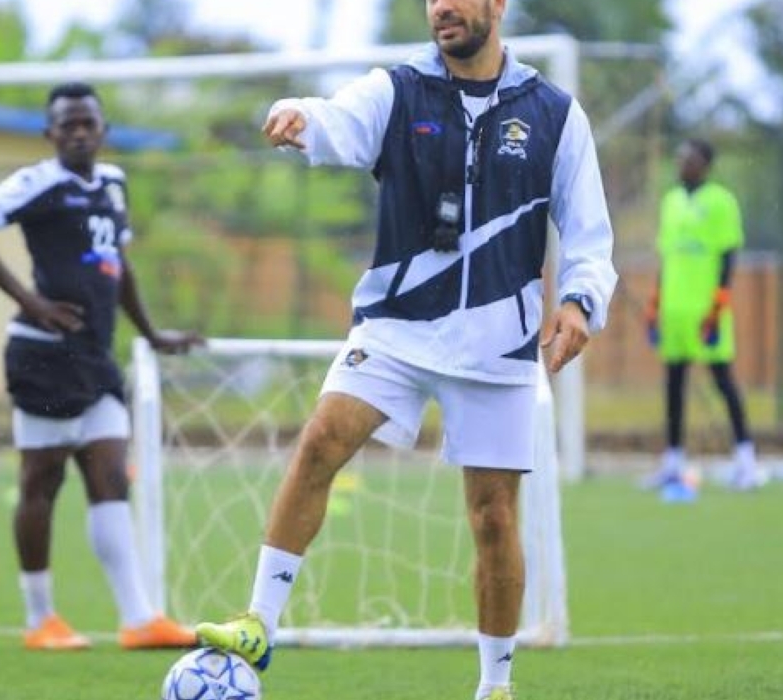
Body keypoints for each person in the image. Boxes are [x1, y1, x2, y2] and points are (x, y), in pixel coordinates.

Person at [194, 1, 617, 698]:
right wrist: (298, 115)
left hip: (498, 344)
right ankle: (258, 623)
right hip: (397, 326)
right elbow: (337, 118)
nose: (441, 7)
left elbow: (590, 233)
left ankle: (494, 685)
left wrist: (579, 300)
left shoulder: (555, 114)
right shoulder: (397, 90)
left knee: (493, 516)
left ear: (497, 6)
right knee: (322, 438)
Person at [0, 82, 202, 651]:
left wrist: (152, 332)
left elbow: (119, 264)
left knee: (110, 476)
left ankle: (138, 618)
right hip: (41, 356)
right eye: (68, 125)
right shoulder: (38, 182)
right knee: (42, 481)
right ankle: (41, 619)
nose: (80, 133)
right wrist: (30, 301)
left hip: (95, 356)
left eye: (88, 123)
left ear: (103, 130)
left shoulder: (113, 182)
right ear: (50, 134)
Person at [644, 138, 758, 494]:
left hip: (706, 309)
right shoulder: (671, 202)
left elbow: (728, 255)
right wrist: (655, 303)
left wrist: (720, 300)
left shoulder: (721, 202)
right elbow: (666, 257)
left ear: (705, 164)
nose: (682, 165)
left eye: (688, 159)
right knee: (674, 383)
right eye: (679, 158)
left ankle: (746, 461)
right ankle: (673, 462)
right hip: (675, 309)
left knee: (723, 381)